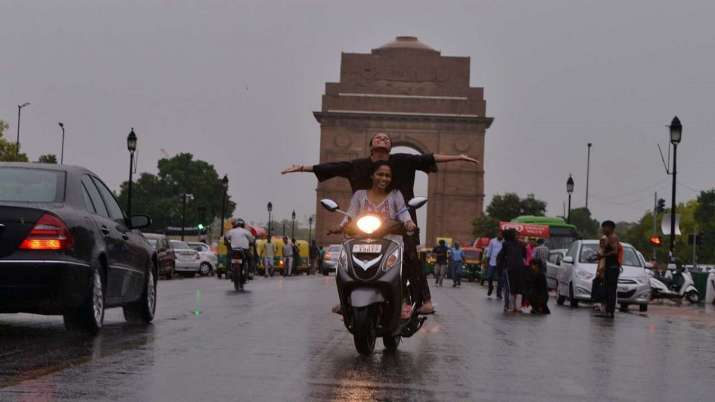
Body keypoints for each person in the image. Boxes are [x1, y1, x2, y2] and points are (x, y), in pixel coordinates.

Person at [282, 132, 480, 314]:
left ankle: (422, 300)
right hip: (366, 222)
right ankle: (346, 299)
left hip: (401, 220)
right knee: (348, 257)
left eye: (387, 139)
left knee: (410, 255)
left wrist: (458, 157)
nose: (383, 139)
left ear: (391, 148)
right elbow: (333, 168)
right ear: (371, 145)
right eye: (379, 137)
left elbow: (427, 158)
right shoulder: (358, 166)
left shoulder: (402, 161)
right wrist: (301, 168)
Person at [335, 161, 416, 319]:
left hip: (390, 241)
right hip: (362, 240)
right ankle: (344, 301)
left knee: (404, 264)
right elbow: (351, 213)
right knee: (343, 266)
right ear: (372, 175)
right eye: (380, 174)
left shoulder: (395, 194)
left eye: (387, 175)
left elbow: (403, 211)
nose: (384, 178)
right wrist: (342, 225)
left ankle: (402, 301)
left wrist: (409, 222)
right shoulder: (359, 194)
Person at [497, 229, 527, 313]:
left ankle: (510, 306)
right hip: (520, 268)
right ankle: (518, 307)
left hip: (510, 268)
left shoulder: (505, 244)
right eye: (517, 234)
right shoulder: (522, 244)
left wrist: (501, 268)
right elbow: (524, 256)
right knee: (519, 287)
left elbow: (501, 257)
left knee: (510, 288)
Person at [597, 220, 623, 318]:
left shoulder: (613, 237)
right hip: (608, 267)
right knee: (607, 289)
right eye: (603, 227)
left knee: (611, 290)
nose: (603, 229)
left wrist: (604, 254)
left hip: (613, 267)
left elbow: (615, 251)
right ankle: (608, 310)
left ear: (611, 228)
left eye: (605, 227)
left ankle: (610, 311)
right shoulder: (607, 238)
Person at [224, 218, 255, 290]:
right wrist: (251, 243)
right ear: (243, 225)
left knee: (228, 257)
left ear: (236, 225)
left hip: (234, 250)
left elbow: (226, 238)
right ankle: (250, 272)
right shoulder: (246, 232)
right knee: (251, 258)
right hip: (244, 250)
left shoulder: (231, 231)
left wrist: (227, 243)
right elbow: (251, 240)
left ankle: (228, 271)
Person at [484, 232, 504, 298]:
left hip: (500, 263)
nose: (500, 235)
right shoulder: (492, 241)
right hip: (492, 262)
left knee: (500, 279)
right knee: (489, 277)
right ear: (497, 234)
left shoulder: (504, 242)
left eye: (501, 234)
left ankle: (499, 292)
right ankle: (490, 287)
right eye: (499, 234)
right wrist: (487, 261)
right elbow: (489, 251)